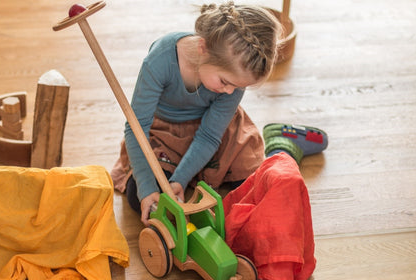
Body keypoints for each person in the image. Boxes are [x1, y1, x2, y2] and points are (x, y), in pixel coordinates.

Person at [111, 1, 327, 226]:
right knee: (143, 198)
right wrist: (147, 189)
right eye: (225, 82)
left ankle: (281, 144)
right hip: (165, 132)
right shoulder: (160, 60)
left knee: (256, 189)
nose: (230, 91)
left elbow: (208, 136)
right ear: (203, 48)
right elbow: (136, 128)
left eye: (237, 86)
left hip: (216, 133)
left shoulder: (231, 83)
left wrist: (180, 181)